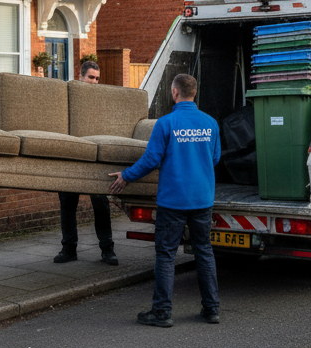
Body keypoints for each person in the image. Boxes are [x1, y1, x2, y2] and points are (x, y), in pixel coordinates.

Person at [109, 73, 220, 327]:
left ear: (174, 92)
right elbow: (214, 158)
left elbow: (151, 160)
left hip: (173, 201)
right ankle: (211, 310)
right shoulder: (211, 123)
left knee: (167, 255)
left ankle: (162, 312)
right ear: (194, 93)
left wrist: (126, 176)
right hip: (203, 199)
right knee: (204, 252)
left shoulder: (166, 123)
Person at [55, 59, 118, 266]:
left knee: (101, 204)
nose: (94, 82)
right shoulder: (66, 97)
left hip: (94, 161)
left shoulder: (101, 102)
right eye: (91, 77)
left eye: (97, 79)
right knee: (67, 204)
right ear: (80, 76)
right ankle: (69, 249)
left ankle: (107, 250)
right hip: (72, 158)